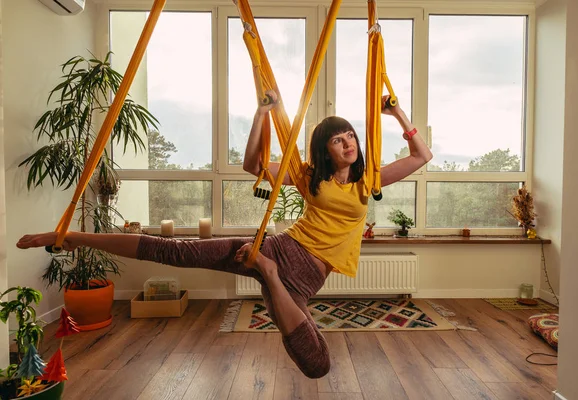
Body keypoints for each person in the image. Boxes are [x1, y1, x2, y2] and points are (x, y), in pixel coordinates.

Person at [16, 90, 432, 379]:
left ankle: (266, 273)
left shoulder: (369, 180)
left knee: (318, 364)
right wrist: (261, 115)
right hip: (279, 248)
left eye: (351, 137)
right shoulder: (308, 176)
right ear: (324, 151)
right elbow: (253, 164)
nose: (348, 144)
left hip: (301, 278)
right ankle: (71, 237)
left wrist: (395, 115)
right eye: (338, 140)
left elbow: (422, 156)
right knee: (174, 252)